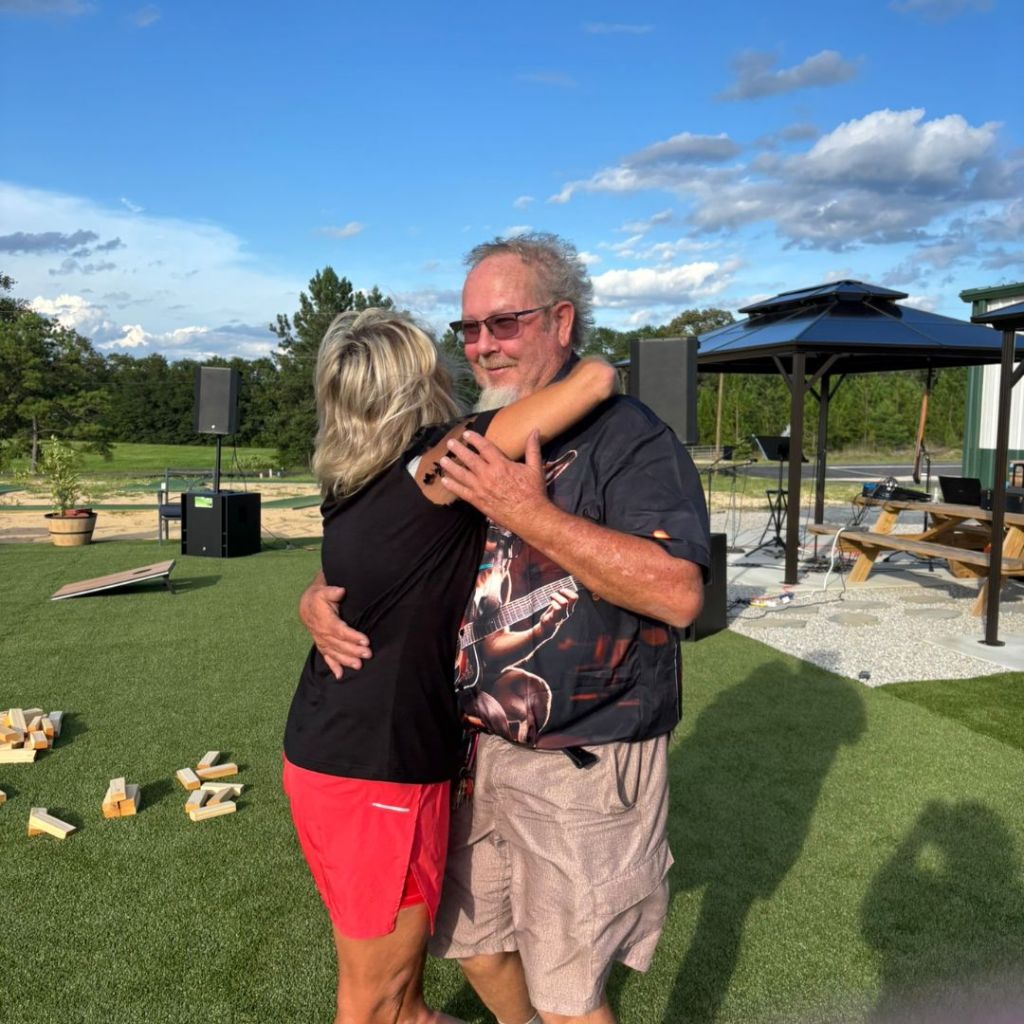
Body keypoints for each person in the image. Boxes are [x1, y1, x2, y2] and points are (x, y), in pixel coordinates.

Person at [300, 234, 710, 1024]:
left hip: (582, 756)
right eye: (469, 330)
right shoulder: (468, 434)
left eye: (505, 324)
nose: (483, 346)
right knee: (476, 942)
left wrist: (530, 513)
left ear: (562, 319)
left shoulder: (627, 438)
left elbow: (680, 594)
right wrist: (316, 595)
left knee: (568, 991)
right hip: (473, 749)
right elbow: (389, 544)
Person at [283, 306, 615, 1024]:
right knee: (376, 1003)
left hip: (331, 751)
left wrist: (311, 597)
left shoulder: (351, 482)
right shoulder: (442, 460)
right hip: (378, 766)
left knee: (404, 1006)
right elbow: (595, 380)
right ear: (418, 381)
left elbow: (349, 580)